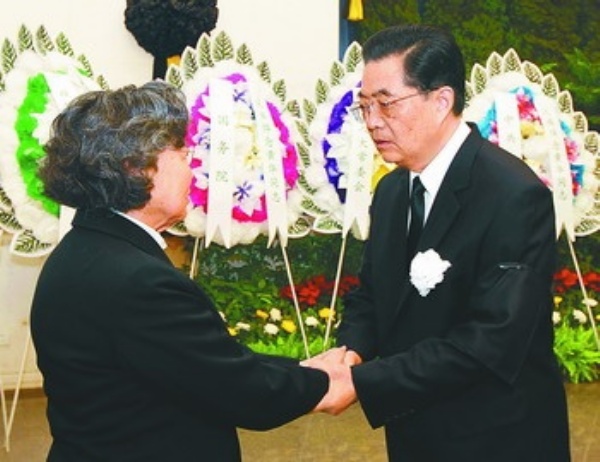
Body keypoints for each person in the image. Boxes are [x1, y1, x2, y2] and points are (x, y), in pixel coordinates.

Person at [30, 81, 343, 462]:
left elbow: (203, 360)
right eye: (181, 153)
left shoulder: (85, 249)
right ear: (136, 167)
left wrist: (303, 368)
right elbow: (241, 392)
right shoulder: (138, 280)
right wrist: (326, 382)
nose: (194, 167)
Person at [306, 24, 571, 461]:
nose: (372, 122)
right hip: (415, 433)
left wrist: (364, 384)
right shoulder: (392, 191)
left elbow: (490, 340)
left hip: (496, 438)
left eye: (386, 104)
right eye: (365, 106)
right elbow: (373, 294)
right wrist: (350, 353)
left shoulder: (512, 195)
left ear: (442, 100)